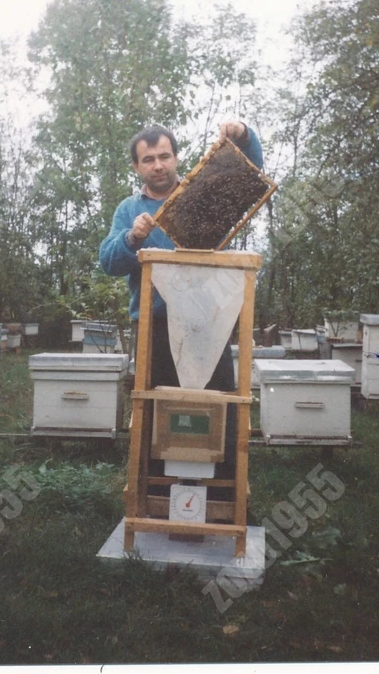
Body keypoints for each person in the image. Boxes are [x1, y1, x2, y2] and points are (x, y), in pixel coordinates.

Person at [99, 120, 264, 487]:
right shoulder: (128, 209)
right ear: (136, 166)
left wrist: (242, 133)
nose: (158, 165)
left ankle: (223, 492)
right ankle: (154, 493)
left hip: (208, 324)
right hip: (153, 327)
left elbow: (249, 173)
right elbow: (108, 262)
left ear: (176, 158)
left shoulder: (202, 194)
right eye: (148, 160)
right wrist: (131, 238)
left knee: (217, 406)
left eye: (164, 156)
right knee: (155, 411)